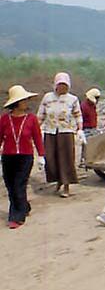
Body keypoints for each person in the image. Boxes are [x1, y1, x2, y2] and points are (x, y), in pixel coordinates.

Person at [2, 85, 44, 229]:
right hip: (8, 157)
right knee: (10, 186)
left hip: (25, 157)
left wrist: (41, 156)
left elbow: (37, 138)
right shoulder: (4, 120)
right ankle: (24, 207)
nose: (26, 102)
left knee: (19, 185)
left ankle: (16, 217)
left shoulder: (31, 119)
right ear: (16, 103)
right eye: (23, 100)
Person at [37, 72, 81, 197]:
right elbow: (41, 115)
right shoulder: (48, 98)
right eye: (60, 85)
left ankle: (66, 185)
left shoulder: (72, 99)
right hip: (50, 132)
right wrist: (34, 130)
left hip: (66, 132)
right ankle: (58, 180)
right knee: (50, 158)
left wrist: (80, 130)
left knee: (66, 159)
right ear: (55, 85)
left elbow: (78, 115)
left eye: (65, 85)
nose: (62, 87)